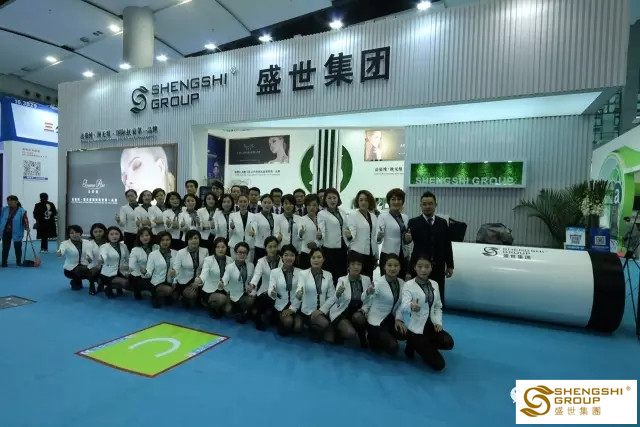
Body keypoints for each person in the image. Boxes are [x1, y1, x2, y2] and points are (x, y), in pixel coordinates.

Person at [401, 255, 454, 370]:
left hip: (431, 326)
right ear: (414, 267)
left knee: (448, 342)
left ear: (431, 268)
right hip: (417, 329)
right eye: (420, 266)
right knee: (439, 365)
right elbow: (404, 305)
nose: (423, 270)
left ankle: (423, 346)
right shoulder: (408, 285)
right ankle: (413, 342)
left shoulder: (434, 284)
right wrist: (411, 306)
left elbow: (438, 306)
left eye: (427, 266)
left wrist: (438, 322)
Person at [405, 191, 454, 305]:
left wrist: (450, 265)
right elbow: (406, 240)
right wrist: (406, 239)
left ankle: (436, 316)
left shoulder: (442, 223)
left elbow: (447, 245)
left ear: (435, 205)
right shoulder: (413, 222)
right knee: (417, 297)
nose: (427, 206)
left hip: (438, 266)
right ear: (420, 205)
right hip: (419, 266)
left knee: (437, 297)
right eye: (424, 204)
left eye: (430, 203)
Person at [363, 254, 407, 355]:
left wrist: (398, 319)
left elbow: (401, 304)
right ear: (384, 267)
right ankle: (371, 337)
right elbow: (365, 300)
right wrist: (368, 292)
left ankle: (387, 335)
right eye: (389, 265)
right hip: (376, 321)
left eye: (396, 265)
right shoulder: (378, 283)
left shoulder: (402, 283)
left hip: (390, 319)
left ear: (400, 267)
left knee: (406, 334)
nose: (393, 268)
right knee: (393, 347)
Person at [327, 252, 370, 347]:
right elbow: (337, 302)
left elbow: (368, 301)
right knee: (350, 333)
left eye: (359, 264)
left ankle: (362, 333)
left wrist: (364, 309)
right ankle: (336, 329)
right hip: (342, 312)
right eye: (353, 264)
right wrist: (338, 294)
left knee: (359, 317)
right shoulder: (342, 280)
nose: (356, 267)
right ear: (348, 266)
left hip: (358, 313)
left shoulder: (366, 280)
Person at [292, 248, 335, 343]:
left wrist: (321, 310)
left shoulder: (328, 275)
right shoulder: (303, 274)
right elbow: (300, 287)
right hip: (308, 311)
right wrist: (299, 293)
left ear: (323, 259)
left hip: (322, 311)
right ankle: (307, 322)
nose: (316, 260)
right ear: (310, 259)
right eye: (313, 257)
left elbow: (332, 296)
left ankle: (313, 328)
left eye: (319, 257)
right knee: (324, 324)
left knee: (330, 339)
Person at [211, 242, 255, 322]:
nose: (242, 255)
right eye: (240, 252)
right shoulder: (230, 267)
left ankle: (240, 310)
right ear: (235, 253)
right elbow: (225, 279)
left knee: (251, 300)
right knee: (228, 310)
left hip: (243, 294)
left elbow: (253, 281)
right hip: (230, 294)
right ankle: (219, 309)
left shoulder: (251, 266)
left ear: (247, 254)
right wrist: (222, 283)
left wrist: (251, 289)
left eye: (244, 253)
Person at [248, 236, 282, 330]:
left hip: (279, 293)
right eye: (270, 247)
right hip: (264, 292)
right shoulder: (261, 262)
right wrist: (252, 285)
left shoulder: (283, 261)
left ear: (278, 247)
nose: (272, 249)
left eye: (274, 246)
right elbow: (256, 276)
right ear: (265, 248)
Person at [268, 245, 303, 336]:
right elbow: (271, 288)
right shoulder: (275, 272)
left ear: (295, 257)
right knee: (288, 322)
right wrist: (272, 293)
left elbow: (300, 293)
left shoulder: (301, 273)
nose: (289, 258)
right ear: (282, 256)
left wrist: (292, 309)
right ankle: (280, 322)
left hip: (295, 305)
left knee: (298, 327)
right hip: (280, 305)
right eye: (286, 255)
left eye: (292, 255)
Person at [345, 190, 379, 279]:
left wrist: (376, 255)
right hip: (357, 254)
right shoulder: (353, 215)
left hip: (370, 254)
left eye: (366, 200)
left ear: (370, 201)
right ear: (357, 201)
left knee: (368, 280)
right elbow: (351, 235)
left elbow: (374, 237)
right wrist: (349, 236)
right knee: (356, 280)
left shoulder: (373, 216)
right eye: (361, 200)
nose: (363, 202)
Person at [378, 188, 411, 279]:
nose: (396, 202)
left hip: (403, 255)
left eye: (399, 199)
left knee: (401, 281)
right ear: (389, 201)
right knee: (386, 282)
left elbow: (405, 238)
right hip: (388, 255)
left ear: (402, 202)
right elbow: (378, 240)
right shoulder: (383, 216)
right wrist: (379, 236)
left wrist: (408, 241)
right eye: (393, 199)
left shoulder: (405, 217)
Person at [171, 230, 208, 308]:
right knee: (191, 296)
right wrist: (173, 279)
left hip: (199, 279)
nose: (194, 241)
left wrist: (198, 281)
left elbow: (206, 269)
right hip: (184, 280)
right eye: (190, 239)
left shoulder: (205, 251)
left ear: (199, 239)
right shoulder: (180, 252)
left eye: (196, 238)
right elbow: (176, 268)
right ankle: (182, 295)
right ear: (187, 241)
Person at [318, 188, 349, 282]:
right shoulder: (322, 214)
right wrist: (320, 236)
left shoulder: (342, 212)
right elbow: (321, 230)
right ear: (325, 200)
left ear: (338, 199)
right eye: (329, 198)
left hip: (343, 247)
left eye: (334, 198)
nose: (332, 200)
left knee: (342, 274)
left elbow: (346, 228)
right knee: (331, 275)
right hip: (330, 249)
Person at [196, 237, 232, 317]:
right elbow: (204, 274)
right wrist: (200, 279)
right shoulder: (208, 260)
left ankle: (219, 306)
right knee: (221, 299)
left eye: (223, 247)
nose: (220, 249)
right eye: (218, 247)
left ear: (226, 248)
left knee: (228, 310)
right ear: (214, 248)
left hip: (225, 288)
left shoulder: (230, 260)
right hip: (210, 289)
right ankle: (211, 306)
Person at [56, 225, 96, 292]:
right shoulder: (65, 243)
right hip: (71, 269)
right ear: (69, 234)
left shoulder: (87, 242)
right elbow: (61, 250)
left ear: (80, 233)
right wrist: (59, 253)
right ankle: (76, 280)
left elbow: (89, 253)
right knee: (81, 272)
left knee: (92, 270)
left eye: (77, 232)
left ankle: (92, 284)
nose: (74, 234)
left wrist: (89, 258)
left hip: (85, 266)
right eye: (72, 233)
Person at [145, 231, 178, 308]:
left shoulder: (176, 253)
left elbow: (178, 269)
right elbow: (149, 271)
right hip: (157, 283)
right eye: (162, 240)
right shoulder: (153, 254)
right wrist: (144, 272)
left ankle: (165, 296)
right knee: (169, 290)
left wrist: (175, 281)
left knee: (174, 296)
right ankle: (155, 295)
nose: (165, 242)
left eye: (167, 240)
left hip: (171, 282)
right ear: (158, 241)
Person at [98, 226, 130, 298]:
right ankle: (107, 288)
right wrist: (102, 259)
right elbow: (103, 256)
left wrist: (130, 270)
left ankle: (118, 287)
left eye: (116, 234)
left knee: (133, 280)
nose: (114, 236)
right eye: (111, 234)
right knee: (125, 283)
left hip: (121, 271)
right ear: (107, 236)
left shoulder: (123, 246)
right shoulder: (104, 246)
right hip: (108, 274)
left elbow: (128, 258)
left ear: (120, 235)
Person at [128, 227, 157, 300]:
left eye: (147, 235)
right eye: (142, 236)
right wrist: (130, 268)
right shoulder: (135, 249)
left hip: (153, 274)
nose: (145, 238)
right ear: (139, 238)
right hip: (139, 275)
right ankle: (137, 290)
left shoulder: (156, 247)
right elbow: (131, 262)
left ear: (151, 236)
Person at [0, 195, 28, 267]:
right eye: (8, 201)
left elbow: (25, 220)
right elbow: (1, 219)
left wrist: (27, 227)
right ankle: (4, 262)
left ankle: (18, 261)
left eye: (11, 201)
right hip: (6, 231)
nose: (9, 202)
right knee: (5, 247)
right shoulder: (4, 209)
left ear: (16, 202)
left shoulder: (22, 211)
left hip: (17, 231)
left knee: (18, 247)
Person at [296, 194, 322, 269]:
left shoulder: (321, 219)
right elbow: (299, 237)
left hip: (319, 253)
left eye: (314, 205)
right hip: (306, 253)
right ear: (305, 206)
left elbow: (325, 236)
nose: (311, 207)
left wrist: (317, 243)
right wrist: (300, 234)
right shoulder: (302, 219)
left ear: (318, 206)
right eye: (309, 205)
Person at [228, 194, 257, 261]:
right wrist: (232, 227)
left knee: (249, 265)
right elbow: (230, 231)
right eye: (240, 201)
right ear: (238, 202)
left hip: (249, 245)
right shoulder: (232, 215)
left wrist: (253, 231)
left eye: (245, 201)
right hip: (235, 244)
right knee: (234, 264)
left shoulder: (253, 216)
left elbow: (254, 227)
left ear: (248, 202)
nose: (243, 204)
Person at [252, 194, 275, 263]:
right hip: (260, 247)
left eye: (269, 203)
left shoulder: (276, 216)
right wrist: (253, 231)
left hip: (273, 246)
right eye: (264, 203)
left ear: (272, 204)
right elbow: (254, 226)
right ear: (261, 204)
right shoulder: (255, 216)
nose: (267, 205)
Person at [86, 223, 108, 294]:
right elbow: (88, 253)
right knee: (93, 271)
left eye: (100, 231)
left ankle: (101, 283)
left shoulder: (108, 242)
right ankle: (91, 285)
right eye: (95, 232)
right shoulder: (90, 243)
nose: (98, 233)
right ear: (92, 233)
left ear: (104, 231)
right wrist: (89, 258)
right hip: (94, 266)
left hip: (106, 266)